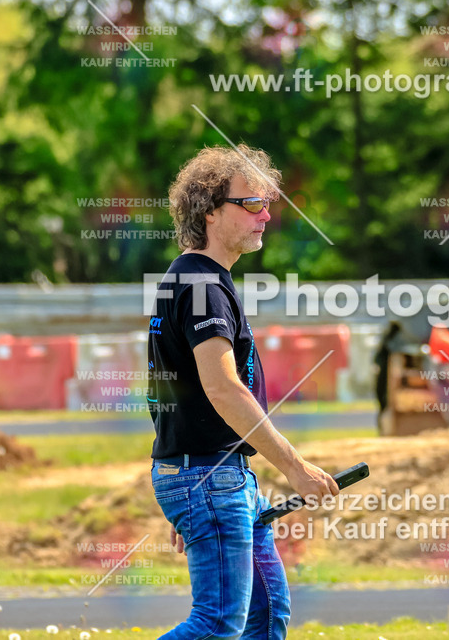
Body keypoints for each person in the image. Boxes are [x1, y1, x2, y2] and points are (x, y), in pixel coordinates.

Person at [146, 144, 339, 639]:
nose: (266, 215)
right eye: (251, 204)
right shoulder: (201, 285)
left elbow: (174, 394)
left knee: (267, 615)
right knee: (217, 625)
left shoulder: (198, 279)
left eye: (267, 203)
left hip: (216, 477)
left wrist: (192, 499)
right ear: (210, 212)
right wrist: (294, 468)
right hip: (209, 477)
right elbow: (223, 389)